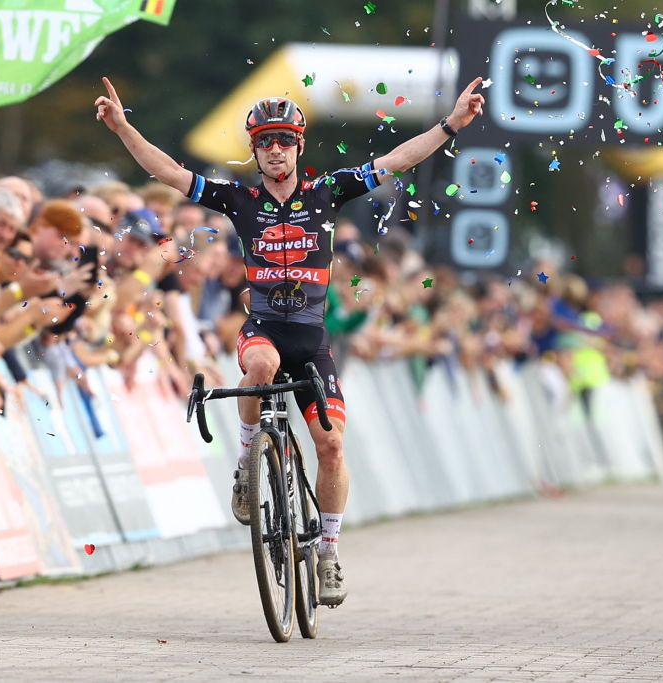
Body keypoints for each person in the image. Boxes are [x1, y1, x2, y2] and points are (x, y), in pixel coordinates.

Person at [94, 74, 486, 606]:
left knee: (331, 445)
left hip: (313, 341)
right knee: (258, 365)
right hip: (264, 329)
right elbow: (168, 172)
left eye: (284, 140)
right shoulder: (240, 199)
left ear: (299, 146)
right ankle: (247, 465)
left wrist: (450, 124)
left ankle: (327, 552)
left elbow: (398, 159)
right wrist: (122, 129)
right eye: (264, 141)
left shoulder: (328, 192)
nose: (274, 149)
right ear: (254, 150)